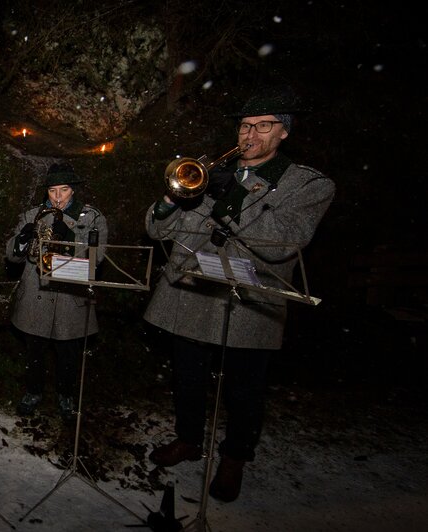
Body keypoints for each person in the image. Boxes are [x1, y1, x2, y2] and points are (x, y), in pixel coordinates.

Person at [143, 86, 335, 503]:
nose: (251, 134)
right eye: (246, 125)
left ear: (284, 132)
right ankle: (189, 439)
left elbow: (286, 240)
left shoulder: (306, 183)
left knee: (245, 388)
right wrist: (171, 199)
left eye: (264, 126)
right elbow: (157, 230)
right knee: (188, 376)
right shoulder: (208, 172)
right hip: (191, 288)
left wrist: (230, 200)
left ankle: (234, 458)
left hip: (250, 297)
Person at [5, 162, 109, 423]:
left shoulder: (92, 217)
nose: (59, 197)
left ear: (72, 190)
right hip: (36, 292)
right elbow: (12, 256)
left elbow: (96, 260)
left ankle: (65, 395)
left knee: (68, 353)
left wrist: (70, 240)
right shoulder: (33, 214)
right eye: (53, 191)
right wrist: (21, 241)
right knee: (34, 351)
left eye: (64, 190)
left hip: (70, 296)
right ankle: (33, 391)